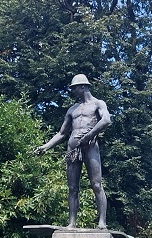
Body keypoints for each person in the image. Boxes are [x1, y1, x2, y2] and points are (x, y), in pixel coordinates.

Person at [35, 74, 111, 229]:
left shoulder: (98, 104)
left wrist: (90, 135)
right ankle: (72, 222)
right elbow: (62, 133)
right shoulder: (72, 109)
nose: (74, 91)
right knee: (72, 187)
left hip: (90, 147)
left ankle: (102, 222)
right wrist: (46, 146)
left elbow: (106, 120)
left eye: (75, 88)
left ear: (83, 86)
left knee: (96, 184)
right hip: (73, 147)